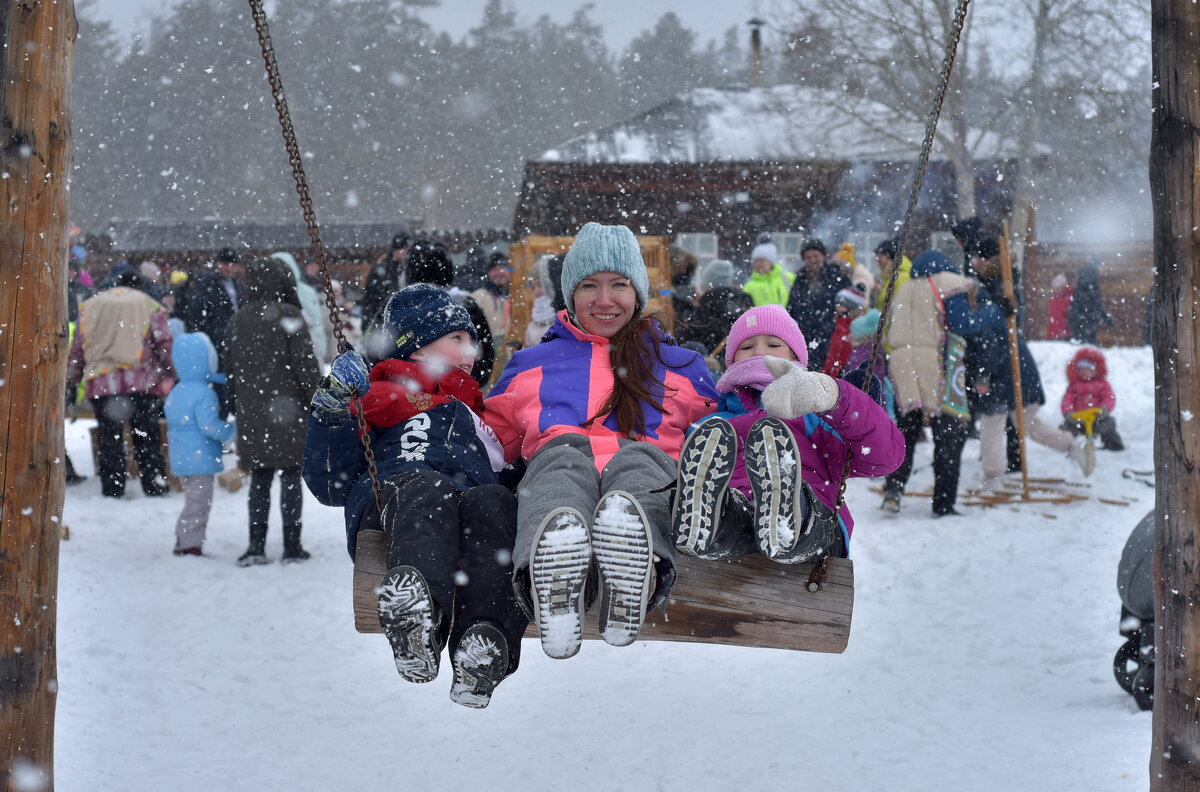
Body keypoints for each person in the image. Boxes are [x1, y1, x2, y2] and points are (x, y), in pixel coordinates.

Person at [483, 222, 718, 660]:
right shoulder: (531, 365)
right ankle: (552, 578)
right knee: (560, 465)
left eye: (619, 285)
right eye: (590, 285)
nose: (604, 300)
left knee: (641, 468)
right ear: (570, 294)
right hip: (559, 462)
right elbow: (488, 445)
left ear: (638, 294)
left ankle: (634, 575)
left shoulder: (680, 366)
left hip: (648, 465)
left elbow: (727, 432)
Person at [303, 284, 525, 708]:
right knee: (428, 487)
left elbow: (509, 474)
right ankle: (417, 619)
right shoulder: (377, 396)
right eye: (457, 339)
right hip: (394, 501)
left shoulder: (477, 416)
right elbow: (329, 482)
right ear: (419, 349)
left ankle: (485, 643)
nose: (471, 351)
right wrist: (333, 409)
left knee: (495, 503)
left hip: (464, 511)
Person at [670, 305, 904, 565]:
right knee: (731, 515)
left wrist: (840, 401)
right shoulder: (713, 424)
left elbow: (884, 457)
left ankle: (787, 512)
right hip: (737, 527)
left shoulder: (816, 417)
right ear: (732, 361)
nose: (759, 352)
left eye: (773, 345)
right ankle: (706, 524)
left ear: (794, 356)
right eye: (746, 347)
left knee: (806, 515)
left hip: (816, 523)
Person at [223, 258, 322, 566]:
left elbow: (229, 369)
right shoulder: (290, 316)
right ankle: (292, 545)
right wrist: (318, 400)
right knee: (291, 477)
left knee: (260, 479)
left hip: (252, 412)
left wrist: (235, 402)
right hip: (289, 411)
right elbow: (306, 367)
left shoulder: (238, 320)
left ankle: (256, 545)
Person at [881, 251, 976, 516]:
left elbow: (888, 327)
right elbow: (964, 318)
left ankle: (893, 490)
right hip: (931, 360)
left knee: (907, 432)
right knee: (948, 432)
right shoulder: (944, 281)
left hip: (900, 361)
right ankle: (943, 503)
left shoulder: (902, 290)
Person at [67, 271, 174, 498]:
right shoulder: (148, 305)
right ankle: (153, 483)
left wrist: (73, 378)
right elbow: (163, 343)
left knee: (110, 439)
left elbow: (77, 347)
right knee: (146, 436)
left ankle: (113, 487)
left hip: (103, 383)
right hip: (142, 382)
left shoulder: (91, 306)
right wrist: (170, 373)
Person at [163, 333, 236, 556]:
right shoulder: (204, 393)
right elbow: (209, 425)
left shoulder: (176, 391)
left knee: (193, 499)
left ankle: (185, 539)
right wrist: (231, 431)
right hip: (199, 456)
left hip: (182, 454)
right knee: (199, 502)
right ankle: (188, 543)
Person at [400, 239, 496, 386]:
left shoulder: (402, 308)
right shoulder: (466, 306)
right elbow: (485, 357)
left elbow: (383, 354)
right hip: (461, 396)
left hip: (409, 396)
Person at [184, 246, 245, 414]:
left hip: (235, 340)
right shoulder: (206, 284)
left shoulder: (238, 285)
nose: (230, 268)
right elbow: (197, 313)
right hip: (217, 340)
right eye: (226, 264)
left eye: (233, 264)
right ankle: (223, 414)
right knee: (221, 380)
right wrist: (211, 333)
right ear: (218, 264)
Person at [785, 238, 851, 371]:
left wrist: (844, 311)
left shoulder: (836, 275)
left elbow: (853, 301)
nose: (812, 260)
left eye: (816, 256)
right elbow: (791, 307)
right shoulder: (799, 279)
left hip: (831, 336)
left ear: (823, 256)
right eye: (808, 257)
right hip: (805, 338)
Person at [676, 258, 753, 354]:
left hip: (710, 365)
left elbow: (683, 343)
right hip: (739, 364)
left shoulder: (704, 310)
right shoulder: (743, 304)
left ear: (707, 284)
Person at [271, 251, 336, 364]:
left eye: (315, 266)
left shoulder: (306, 289)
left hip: (302, 349)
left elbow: (315, 321)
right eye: (311, 266)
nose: (313, 269)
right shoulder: (303, 289)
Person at [1060, 347, 1124, 451]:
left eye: (1087, 369)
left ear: (1095, 369)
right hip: (1078, 419)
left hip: (1097, 417)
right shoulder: (1074, 386)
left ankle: (1113, 445)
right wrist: (1068, 412)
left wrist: (1104, 409)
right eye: (1081, 369)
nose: (1083, 372)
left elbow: (1109, 397)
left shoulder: (1102, 384)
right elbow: (1067, 400)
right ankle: (1066, 445)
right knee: (1066, 427)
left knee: (1108, 424)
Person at [360, 232, 411, 332]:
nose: (407, 253)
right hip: (383, 323)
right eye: (405, 250)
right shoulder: (383, 272)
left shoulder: (407, 269)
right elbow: (370, 300)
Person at [822, 286, 868, 378]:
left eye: (840, 304)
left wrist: (832, 372)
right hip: (834, 372)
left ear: (848, 307)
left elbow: (840, 353)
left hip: (840, 373)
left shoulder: (848, 327)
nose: (836, 306)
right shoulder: (840, 323)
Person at [1069, 260, 1115, 344]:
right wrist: (1106, 317)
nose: (1103, 269)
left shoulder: (1084, 278)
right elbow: (1096, 303)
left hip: (1080, 320)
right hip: (1087, 321)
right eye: (1102, 266)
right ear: (1097, 266)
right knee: (1088, 346)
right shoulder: (1092, 280)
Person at [471, 252, 511, 348]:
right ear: (488, 274)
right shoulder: (479, 296)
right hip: (488, 350)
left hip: (514, 352)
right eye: (494, 270)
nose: (498, 273)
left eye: (502, 268)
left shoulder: (518, 296)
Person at [742, 240, 794, 307]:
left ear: (770, 261)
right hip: (761, 317)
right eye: (756, 261)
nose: (758, 264)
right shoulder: (749, 286)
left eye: (761, 260)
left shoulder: (788, 278)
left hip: (787, 317)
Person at [524, 256, 558, 348]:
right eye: (533, 287)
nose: (536, 292)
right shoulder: (532, 325)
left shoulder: (565, 320)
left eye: (540, 285)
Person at [874, 238, 912, 309]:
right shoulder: (889, 277)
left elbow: (899, 307)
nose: (877, 262)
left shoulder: (902, 277)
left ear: (888, 257)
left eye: (879, 258)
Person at [1045, 273, 1073, 340]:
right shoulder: (1053, 299)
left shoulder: (1070, 298)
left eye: (1058, 287)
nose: (1056, 290)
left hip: (1066, 335)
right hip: (1053, 335)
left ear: (1063, 287)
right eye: (1055, 288)